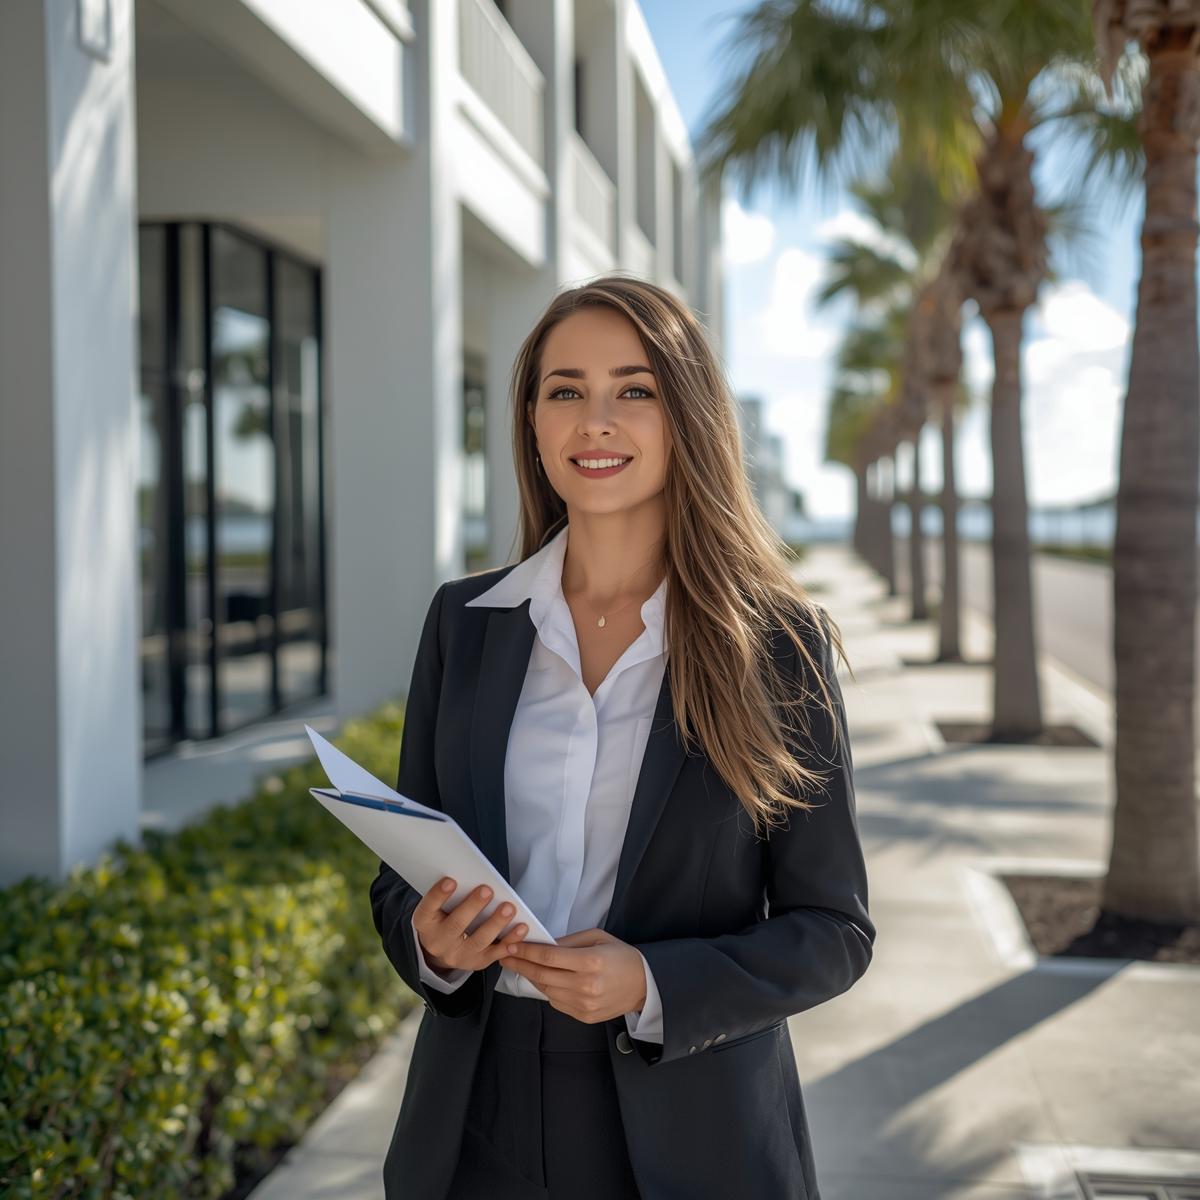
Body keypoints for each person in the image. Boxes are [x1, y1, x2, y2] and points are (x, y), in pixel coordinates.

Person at [369, 274, 875, 1199]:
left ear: (687, 418)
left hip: (692, 1130)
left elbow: (834, 930)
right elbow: (401, 877)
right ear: (531, 420)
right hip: (474, 1114)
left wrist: (651, 983)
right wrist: (434, 945)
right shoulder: (463, 623)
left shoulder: (775, 645)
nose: (594, 420)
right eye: (566, 390)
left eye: (633, 390)